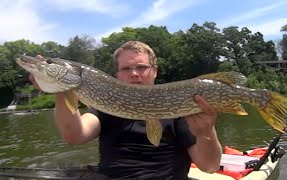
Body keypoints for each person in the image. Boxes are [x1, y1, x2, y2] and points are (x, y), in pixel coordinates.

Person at [29, 41, 222, 180]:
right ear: (117, 75)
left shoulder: (180, 108)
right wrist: (60, 89)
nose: (134, 74)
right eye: (126, 68)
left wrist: (206, 133)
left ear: (154, 71)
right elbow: (75, 135)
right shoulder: (106, 105)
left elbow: (210, 166)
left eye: (141, 67)